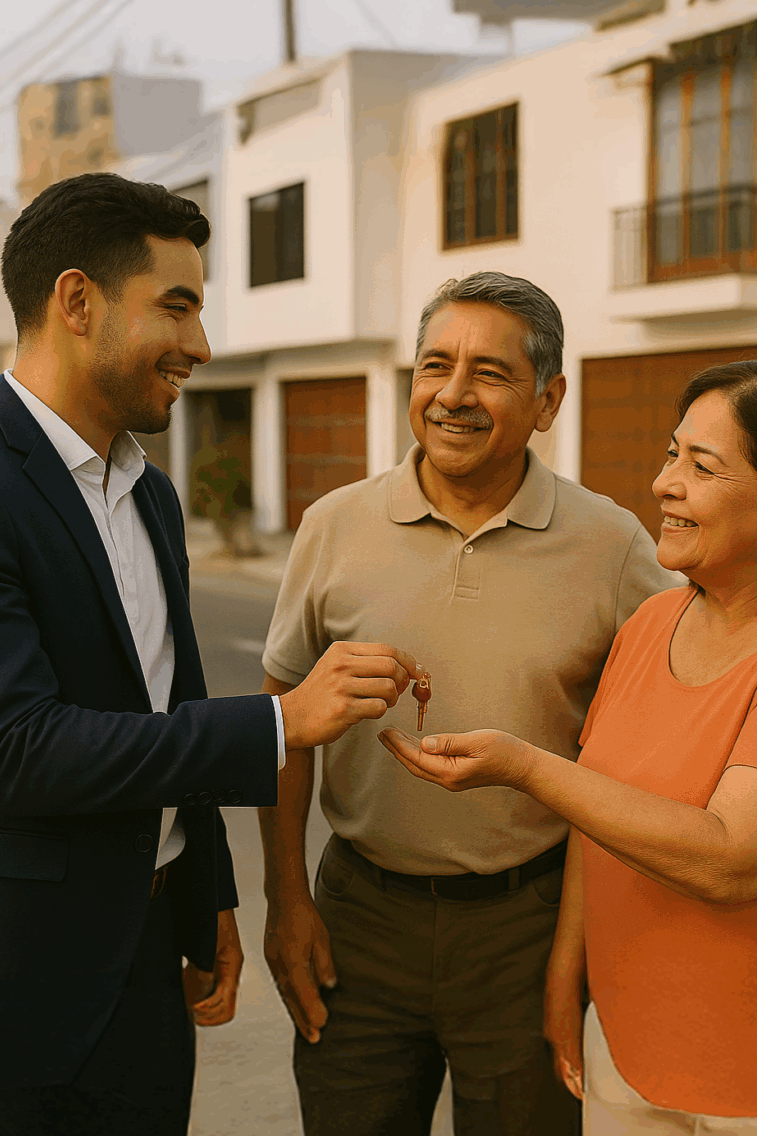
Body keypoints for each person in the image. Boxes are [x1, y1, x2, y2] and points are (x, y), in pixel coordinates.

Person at [0, 172, 425, 1136]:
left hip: (144, 975)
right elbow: (17, 752)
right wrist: (279, 722)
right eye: (177, 307)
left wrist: (205, 894)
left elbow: (167, 698)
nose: (201, 343)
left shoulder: (149, 493)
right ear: (78, 302)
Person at [379, 359, 757, 1134]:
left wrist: (524, 766)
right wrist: (568, 969)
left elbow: (732, 859)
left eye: (702, 467)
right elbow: (597, 810)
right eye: (673, 455)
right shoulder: (650, 624)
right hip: (632, 1043)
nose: (665, 484)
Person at [259, 272, 677, 1136]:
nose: (453, 394)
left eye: (489, 373)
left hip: (526, 928)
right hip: (358, 922)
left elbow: (652, 745)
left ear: (548, 400)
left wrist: (576, 951)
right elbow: (283, 721)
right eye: (434, 365)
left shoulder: (612, 546)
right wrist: (286, 899)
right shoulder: (333, 525)